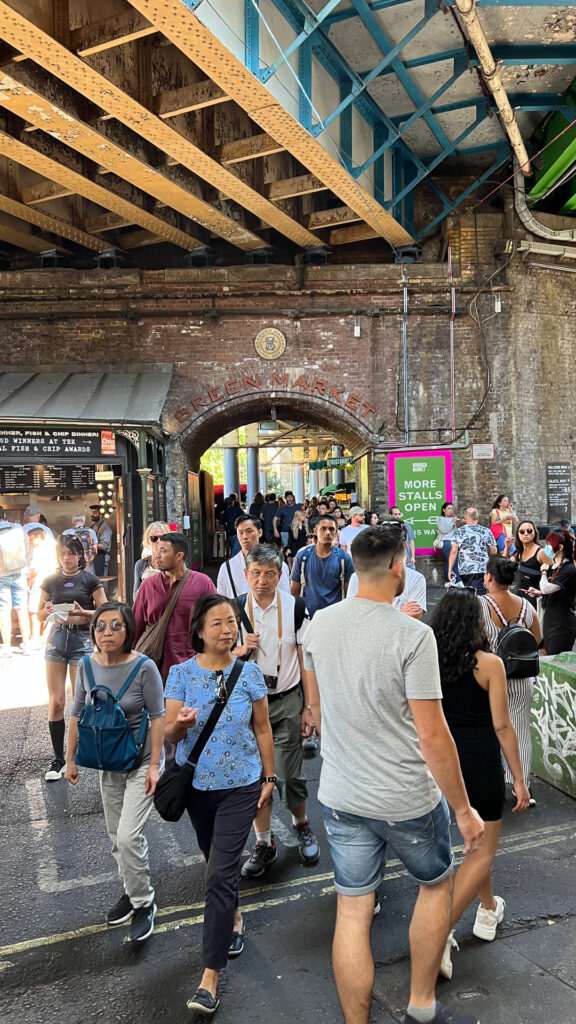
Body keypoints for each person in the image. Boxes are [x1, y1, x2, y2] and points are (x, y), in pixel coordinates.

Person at [302, 524, 484, 1024]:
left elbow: (313, 702)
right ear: (399, 566)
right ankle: (421, 1006)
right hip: (406, 796)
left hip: (341, 793)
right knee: (433, 884)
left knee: (353, 910)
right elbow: (433, 735)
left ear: (354, 566)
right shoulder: (412, 635)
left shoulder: (319, 624)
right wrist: (465, 811)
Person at [164, 595, 275, 1016]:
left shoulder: (249, 674)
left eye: (232, 621)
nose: (228, 630)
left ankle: (209, 977)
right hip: (197, 790)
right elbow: (170, 735)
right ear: (198, 631)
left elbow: (263, 729)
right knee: (216, 862)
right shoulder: (179, 675)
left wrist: (269, 777)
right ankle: (233, 916)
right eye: (217, 623)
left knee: (218, 874)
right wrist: (181, 724)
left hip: (241, 786)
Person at [429, 588, 530, 980]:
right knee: (483, 851)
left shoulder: (428, 662)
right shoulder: (489, 664)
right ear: (477, 623)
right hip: (481, 764)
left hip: (441, 767)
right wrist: (519, 779)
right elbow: (503, 726)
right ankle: (438, 932)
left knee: (470, 849)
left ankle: (487, 909)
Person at [65, 602, 164, 942]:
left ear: (128, 632)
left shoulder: (144, 668)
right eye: (101, 626)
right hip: (109, 763)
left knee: (127, 836)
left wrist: (154, 765)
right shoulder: (86, 666)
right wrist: (70, 758)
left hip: (140, 762)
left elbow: (158, 717)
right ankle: (131, 889)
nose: (107, 632)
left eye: (116, 626)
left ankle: (143, 903)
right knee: (114, 836)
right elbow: (76, 711)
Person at [234, 545, 320, 878]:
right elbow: (218, 655)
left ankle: (301, 824)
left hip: (285, 699)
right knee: (255, 775)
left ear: (280, 576)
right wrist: (241, 649)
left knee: (288, 774)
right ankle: (264, 841)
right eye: (256, 573)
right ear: (246, 574)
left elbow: (306, 660)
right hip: (247, 704)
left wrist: (309, 706)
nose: (262, 580)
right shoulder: (234, 608)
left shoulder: (296, 607)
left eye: (270, 574)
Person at [37, 535, 107, 781]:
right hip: (57, 639)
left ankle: (74, 757)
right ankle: (57, 759)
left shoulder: (90, 579)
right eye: (62, 554)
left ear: (80, 555)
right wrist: (45, 612)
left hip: (83, 642)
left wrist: (83, 612)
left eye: (70, 554)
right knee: (56, 702)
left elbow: (104, 611)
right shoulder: (50, 580)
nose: (66, 559)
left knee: (82, 701)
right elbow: (38, 614)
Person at [480, 555, 541, 805]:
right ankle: (521, 784)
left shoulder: (480, 604)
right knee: (518, 728)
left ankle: (489, 780)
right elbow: (536, 640)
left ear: (489, 577)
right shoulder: (527, 606)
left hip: (487, 678)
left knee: (487, 728)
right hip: (520, 677)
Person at [133, 532, 216, 681]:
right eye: (156, 550)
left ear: (179, 556)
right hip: (153, 669)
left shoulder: (202, 583)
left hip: (192, 668)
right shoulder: (148, 585)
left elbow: (215, 622)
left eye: (163, 551)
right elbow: (136, 626)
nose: (157, 555)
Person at [290, 515, 354, 618]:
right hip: (308, 617)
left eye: (331, 529)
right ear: (315, 531)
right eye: (323, 529)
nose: (328, 532)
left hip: (334, 617)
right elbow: (294, 591)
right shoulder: (303, 556)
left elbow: (348, 593)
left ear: (336, 532)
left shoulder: (344, 558)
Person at [216, 515, 290, 599]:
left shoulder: (277, 564)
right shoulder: (227, 567)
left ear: (260, 532)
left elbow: (285, 598)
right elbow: (221, 600)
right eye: (240, 532)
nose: (244, 536)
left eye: (249, 531)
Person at [527, 528, 576, 655]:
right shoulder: (555, 567)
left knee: (556, 660)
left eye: (549, 544)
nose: (547, 547)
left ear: (559, 547)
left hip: (562, 624)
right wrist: (539, 592)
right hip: (550, 621)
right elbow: (551, 590)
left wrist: (543, 571)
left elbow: (547, 588)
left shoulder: (568, 569)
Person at [347, 555, 427, 619]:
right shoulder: (357, 577)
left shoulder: (416, 578)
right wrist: (400, 615)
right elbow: (353, 614)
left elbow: (416, 614)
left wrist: (371, 616)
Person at [0, 506, 31, 657]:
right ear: (4, 514)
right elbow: (26, 547)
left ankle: (6, 648)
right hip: (19, 573)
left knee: (4, 611)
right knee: (22, 609)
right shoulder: (17, 527)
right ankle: (27, 645)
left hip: (1, 575)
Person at [449, 507, 497, 595]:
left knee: (468, 595)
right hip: (482, 568)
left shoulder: (458, 532)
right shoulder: (486, 531)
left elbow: (454, 551)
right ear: (477, 517)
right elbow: (493, 550)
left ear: (466, 517)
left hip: (464, 569)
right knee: (479, 596)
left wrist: (450, 569)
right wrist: (490, 563)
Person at [25, 526, 57, 645]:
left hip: (39, 582)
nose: (29, 541)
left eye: (31, 538)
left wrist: (29, 582)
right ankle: (45, 636)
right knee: (47, 608)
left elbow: (36, 569)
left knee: (33, 610)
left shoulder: (38, 549)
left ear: (37, 537)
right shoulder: (51, 546)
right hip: (50, 581)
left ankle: (35, 637)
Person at [512, 521, 553, 609]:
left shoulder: (541, 552)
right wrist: (507, 547)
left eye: (529, 531)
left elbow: (554, 575)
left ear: (534, 532)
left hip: (534, 598)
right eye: (522, 532)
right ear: (518, 534)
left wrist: (542, 592)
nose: (525, 534)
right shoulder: (518, 552)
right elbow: (502, 569)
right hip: (518, 596)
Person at [133, 521, 171, 599]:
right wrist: (145, 581)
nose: (158, 541)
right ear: (148, 541)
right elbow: (135, 598)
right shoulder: (141, 564)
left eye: (163, 537)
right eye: (154, 538)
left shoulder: (174, 562)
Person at [435, 501, 461, 586]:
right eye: (449, 508)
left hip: (454, 542)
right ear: (443, 509)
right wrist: (453, 522)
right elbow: (444, 530)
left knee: (450, 561)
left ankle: (449, 580)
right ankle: (457, 581)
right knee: (452, 561)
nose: (451, 510)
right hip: (446, 542)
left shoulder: (452, 519)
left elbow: (456, 532)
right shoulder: (440, 519)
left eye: (452, 509)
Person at [89, 505, 113, 578]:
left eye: (95, 512)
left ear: (101, 515)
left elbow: (105, 546)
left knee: (102, 582)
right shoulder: (93, 526)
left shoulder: (104, 528)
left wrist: (90, 544)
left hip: (101, 559)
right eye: (91, 512)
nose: (92, 515)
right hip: (94, 559)